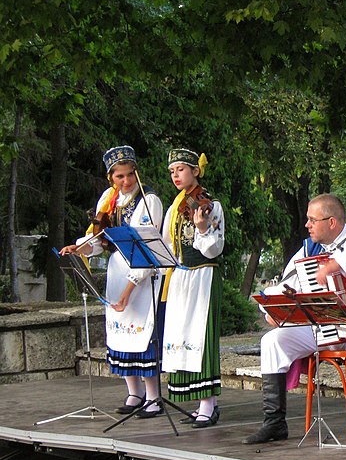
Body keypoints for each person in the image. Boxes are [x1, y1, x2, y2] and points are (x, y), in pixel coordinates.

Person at [242, 193, 346, 444]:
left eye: (313, 220)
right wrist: (273, 310)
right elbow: (284, 285)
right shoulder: (307, 249)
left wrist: (337, 264)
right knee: (273, 340)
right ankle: (274, 423)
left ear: (332, 222)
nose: (307, 225)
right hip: (321, 330)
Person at [60, 145, 164, 417]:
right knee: (120, 333)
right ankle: (134, 393)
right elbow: (98, 242)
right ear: (111, 178)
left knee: (143, 336)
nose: (126, 181)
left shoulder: (148, 200)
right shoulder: (108, 199)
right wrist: (78, 247)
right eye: (120, 176)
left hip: (141, 275)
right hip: (116, 269)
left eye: (130, 175)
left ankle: (153, 396)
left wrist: (128, 292)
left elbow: (148, 249)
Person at [161, 149, 225, 428]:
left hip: (203, 277)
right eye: (172, 171)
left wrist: (201, 229)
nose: (176, 175)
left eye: (181, 170)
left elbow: (213, 250)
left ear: (196, 171)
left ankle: (208, 406)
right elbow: (166, 245)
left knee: (202, 338)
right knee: (181, 337)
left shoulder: (211, 206)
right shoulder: (174, 208)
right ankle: (197, 402)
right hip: (180, 278)